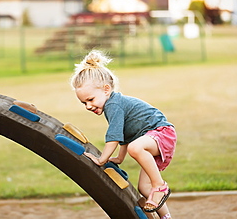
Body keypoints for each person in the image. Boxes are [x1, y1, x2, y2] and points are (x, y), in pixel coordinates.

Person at [70, 50, 177, 219]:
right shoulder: (111, 106)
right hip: (151, 138)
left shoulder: (114, 105)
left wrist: (101, 159)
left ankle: (160, 186)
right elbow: (125, 135)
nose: (88, 106)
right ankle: (166, 217)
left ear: (106, 89)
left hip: (162, 133)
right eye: (84, 103)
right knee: (144, 188)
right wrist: (119, 158)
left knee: (136, 148)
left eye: (90, 99)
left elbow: (114, 136)